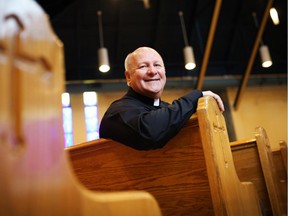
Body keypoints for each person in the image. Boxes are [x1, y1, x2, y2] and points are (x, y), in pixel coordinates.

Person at [99, 47, 225, 150]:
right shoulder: (117, 111)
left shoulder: (168, 110)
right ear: (128, 77)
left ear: (164, 72)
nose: (152, 71)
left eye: (157, 65)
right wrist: (195, 96)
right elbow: (152, 132)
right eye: (143, 66)